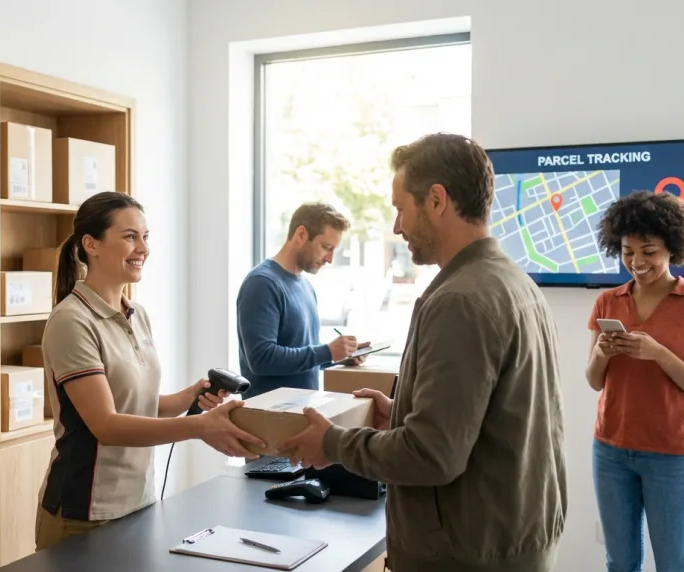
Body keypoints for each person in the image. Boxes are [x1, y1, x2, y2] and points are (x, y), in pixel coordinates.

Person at [281, 133, 567, 572]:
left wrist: (334, 442)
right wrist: (402, 413)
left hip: (466, 554)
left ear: (436, 199)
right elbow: (492, 419)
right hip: (511, 540)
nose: (397, 227)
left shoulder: (461, 300)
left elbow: (433, 456)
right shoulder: (512, 282)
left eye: (400, 209)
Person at [36, 191, 265, 550]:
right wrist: (198, 428)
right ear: (91, 244)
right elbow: (107, 426)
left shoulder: (136, 314)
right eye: (129, 237)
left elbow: (139, 405)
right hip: (84, 512)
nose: (142, 247)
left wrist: (191, 395)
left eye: (145, 237)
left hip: (138, 503)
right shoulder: (72, 321)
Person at [585, 191, 684, 572]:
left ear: (673, 248)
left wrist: (658, 353)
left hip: (672, 455)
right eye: (628, 251)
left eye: (649, 251)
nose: (637, 261)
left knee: (675, 564)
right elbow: (594, 380)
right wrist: (602, 353)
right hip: (610, 451)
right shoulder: (608, 301)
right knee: (620, 562)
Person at [236, 202, 368, 399]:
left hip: (299, 413)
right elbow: (262, 359)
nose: (330, 259)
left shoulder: (304, 285)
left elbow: (299, 353)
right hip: (268, 419)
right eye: (326, 247)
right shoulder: (262, 284)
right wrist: (326, 352)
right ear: (300, 235)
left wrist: (338, 356)